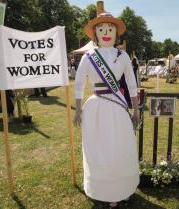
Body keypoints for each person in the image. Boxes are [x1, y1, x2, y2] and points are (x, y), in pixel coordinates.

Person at [74, 12, 139, 208]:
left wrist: (135, 109)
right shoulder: (89, 56)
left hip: (118, 107)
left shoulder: (123, 55)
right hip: (95, 107)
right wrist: (77, 109)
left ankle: (123, 188)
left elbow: (131, 84)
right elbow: (78, 83)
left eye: (110, 29)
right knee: (99, 148)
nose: (106, 32)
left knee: (121, 147)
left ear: (116, 32)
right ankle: (104, 190)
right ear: (95, 33)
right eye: (101, 29)